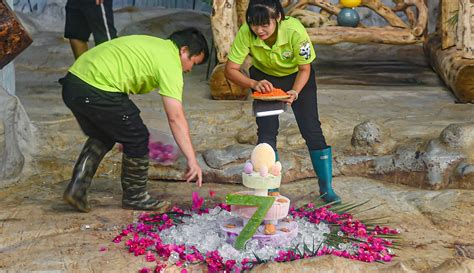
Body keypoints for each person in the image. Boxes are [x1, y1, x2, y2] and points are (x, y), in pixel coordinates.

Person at [61, 28, 209, 212]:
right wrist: (192, 160)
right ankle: (136, 197)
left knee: (104, 133)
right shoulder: (169, 60)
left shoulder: (154, 45)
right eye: (192, 63)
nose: (189, 69)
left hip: (73, 85)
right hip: (95, 87)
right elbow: (176, 118)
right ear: (184, 50)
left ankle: (77, 189)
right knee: (137, 136)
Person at [224, 0, 341, 203]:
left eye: (264, 25)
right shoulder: (246, 32)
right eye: (254, 24)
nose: (258, 30)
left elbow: (305, 69)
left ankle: (326, 189)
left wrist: (295, 91)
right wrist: (254, 82)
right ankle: (270, 189)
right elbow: (230, 69)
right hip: (264, 79)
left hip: (297, 77)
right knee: (266, 134)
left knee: (311, 130)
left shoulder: (295, 30)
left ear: (278, 17)